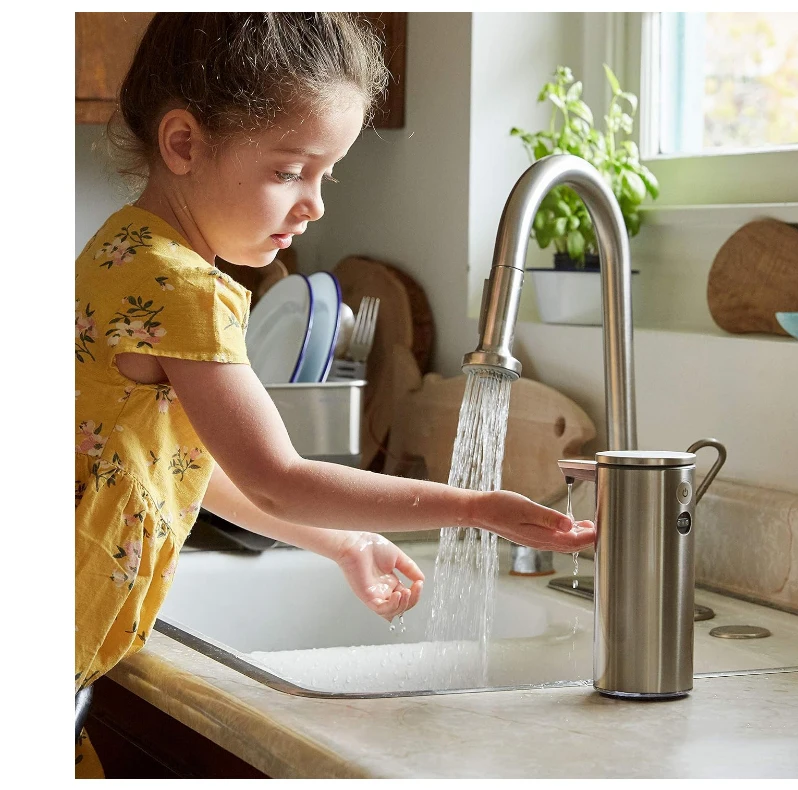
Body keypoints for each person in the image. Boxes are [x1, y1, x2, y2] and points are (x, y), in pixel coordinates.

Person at [74, 12, 595, 777]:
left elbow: (181, 465)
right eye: (289, 170)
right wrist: (475, 507)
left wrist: (341, 540)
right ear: (183, 143)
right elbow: (278, 479)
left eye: (326, 174)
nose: (314, 203)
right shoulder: (184, 286)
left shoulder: (121, 247)